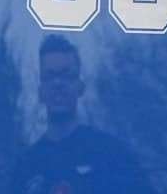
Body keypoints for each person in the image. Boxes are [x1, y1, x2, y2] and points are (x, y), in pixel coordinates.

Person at [9, 35, 151, 194]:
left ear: (80, 86)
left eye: (66, 75)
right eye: (50, 76)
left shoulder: (112, 155)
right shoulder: (27, 167)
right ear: (41, 91)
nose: (58, 83)